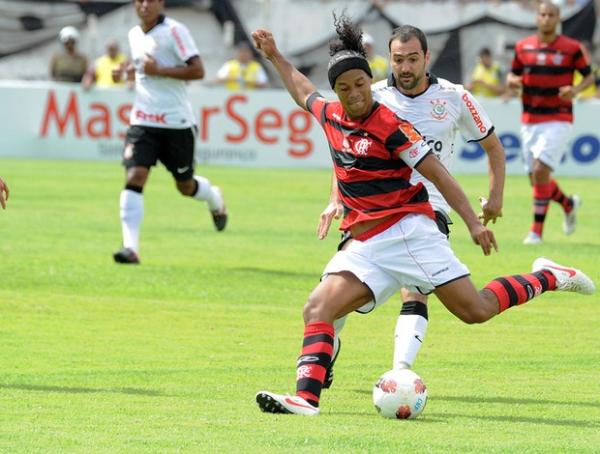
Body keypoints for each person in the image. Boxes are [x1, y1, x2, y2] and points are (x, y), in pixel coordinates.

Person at [251, 14, 595, 416]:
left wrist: (472, 222)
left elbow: (439, 175)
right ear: (337, 92)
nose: (355, 94)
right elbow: (301, 88)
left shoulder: (391, 125)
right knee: (317, 307)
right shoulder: (330, 116)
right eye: (345, 88)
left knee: (476, 310)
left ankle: (548, 276)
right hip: (366, 242)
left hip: (409, 232)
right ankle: (306, 398)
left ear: (370, 83)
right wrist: (275, 55)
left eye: (361, 84)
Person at [318, 24, 506, 388]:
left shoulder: (455, 97)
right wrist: (333, 201)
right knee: (334, 293)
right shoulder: (368, 95)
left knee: (415, 289)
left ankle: (400, 376)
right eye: (398, 60)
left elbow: (494, 147)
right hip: (373, 212)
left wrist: (495, 198)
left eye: (412, 59)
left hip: (427, 209)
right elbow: (344, 152)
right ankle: (324, 358)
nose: (404, 68)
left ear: (427, 58)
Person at [112, 0, 227, 264]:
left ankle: (214, 197)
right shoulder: (134, 34)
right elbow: (141, 65)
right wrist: (125, 71)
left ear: (160, 3)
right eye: (139, 0)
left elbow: (198, 70)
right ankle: (131, 248)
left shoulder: (176, 30)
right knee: (135, 175)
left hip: (176, 122)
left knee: (185, 186)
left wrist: (160, 71)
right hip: (142, 120)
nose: (144, 5)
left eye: (150, 0)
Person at [506, 1, 594, 245]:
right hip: (530, 119)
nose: (546, 18)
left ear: (558, 18)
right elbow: (512, 74)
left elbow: (590, 78)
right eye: (542, 14)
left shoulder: (572, 48)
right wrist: (512, 81)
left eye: (550, 15)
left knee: (540, 170)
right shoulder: (523, 47)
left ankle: (535, 233)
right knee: (537, 180)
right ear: (537, 18)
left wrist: (574, 90)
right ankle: (568, 204)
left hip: (558, 117)